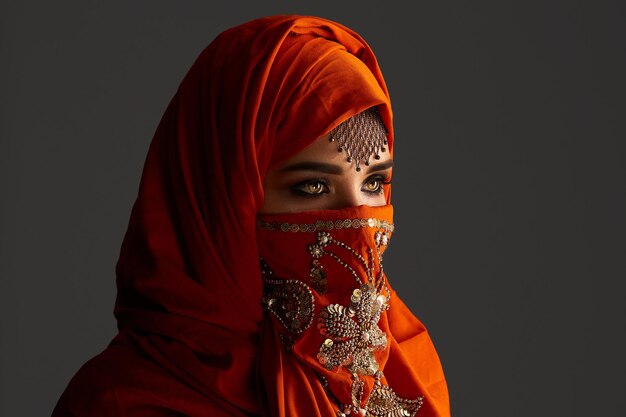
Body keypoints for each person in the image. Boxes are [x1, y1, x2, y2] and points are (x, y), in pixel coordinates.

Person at [52, 15, 450, 417]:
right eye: (312, 186)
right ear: (224, 198)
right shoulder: (121, 402)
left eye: (373, 184)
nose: (359, 220)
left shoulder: (404, 366)